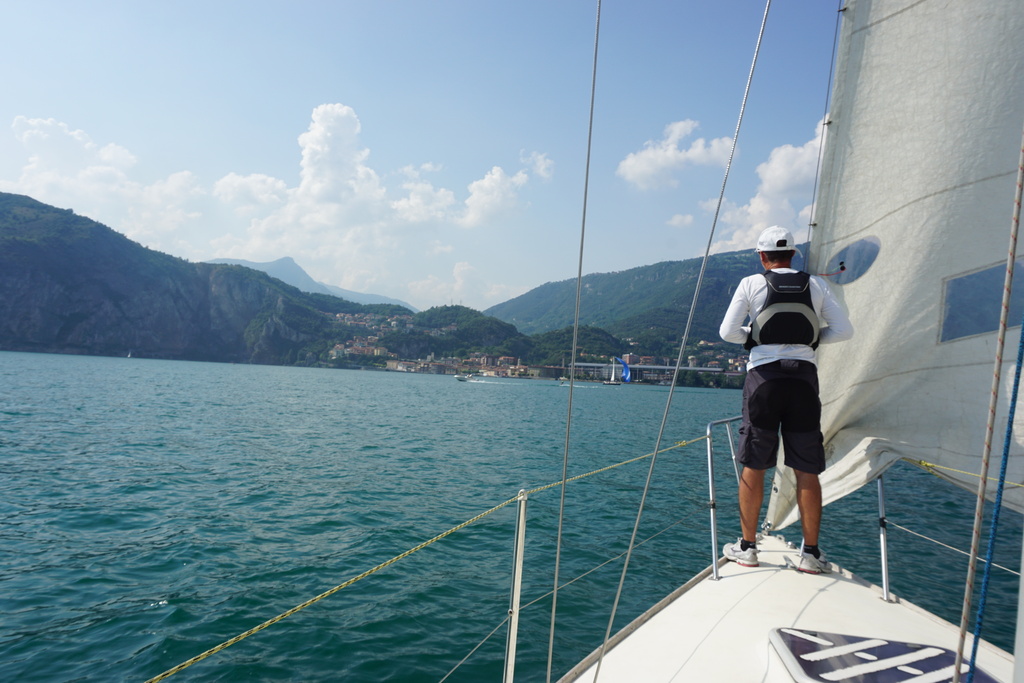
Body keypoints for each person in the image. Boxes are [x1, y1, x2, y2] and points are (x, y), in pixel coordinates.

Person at [718, 225, 853, 574]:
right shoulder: (817, 284)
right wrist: (807, 339)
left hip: (764, 379)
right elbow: (844, 330)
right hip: (804, 383)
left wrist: (758, 334)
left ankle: (747, 548)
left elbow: (728, 332)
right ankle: (810, 553)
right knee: (806, 466)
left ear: (762, 257)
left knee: (754, 462)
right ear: (794, 254)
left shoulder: (752, 283)